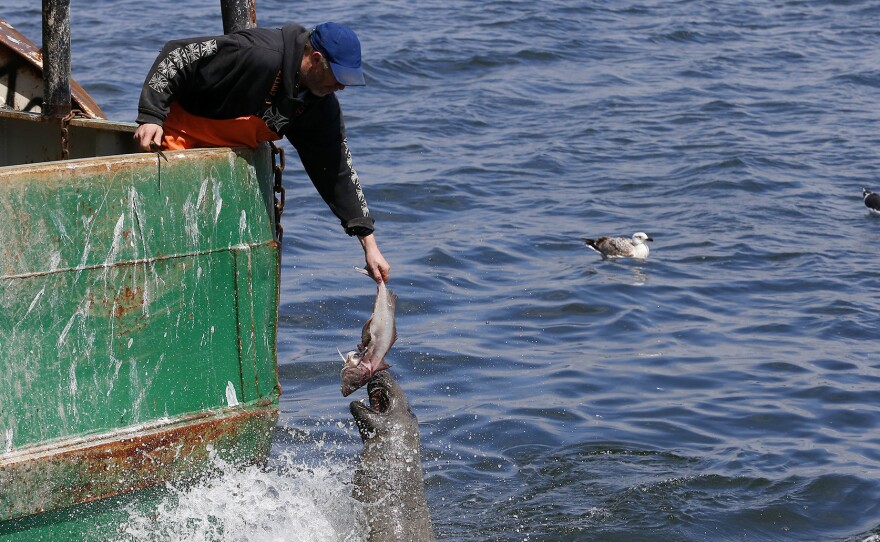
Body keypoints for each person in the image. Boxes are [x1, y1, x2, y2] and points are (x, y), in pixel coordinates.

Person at [133, 22, 391, 283]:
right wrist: (152, 115)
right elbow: (178, 54)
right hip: (176, 147)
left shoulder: (318, 105)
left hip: (227, 167)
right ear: (316, 59)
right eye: (338, 78)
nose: (342, 88)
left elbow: (336, 170)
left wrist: (370, 246)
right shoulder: (258, 53)